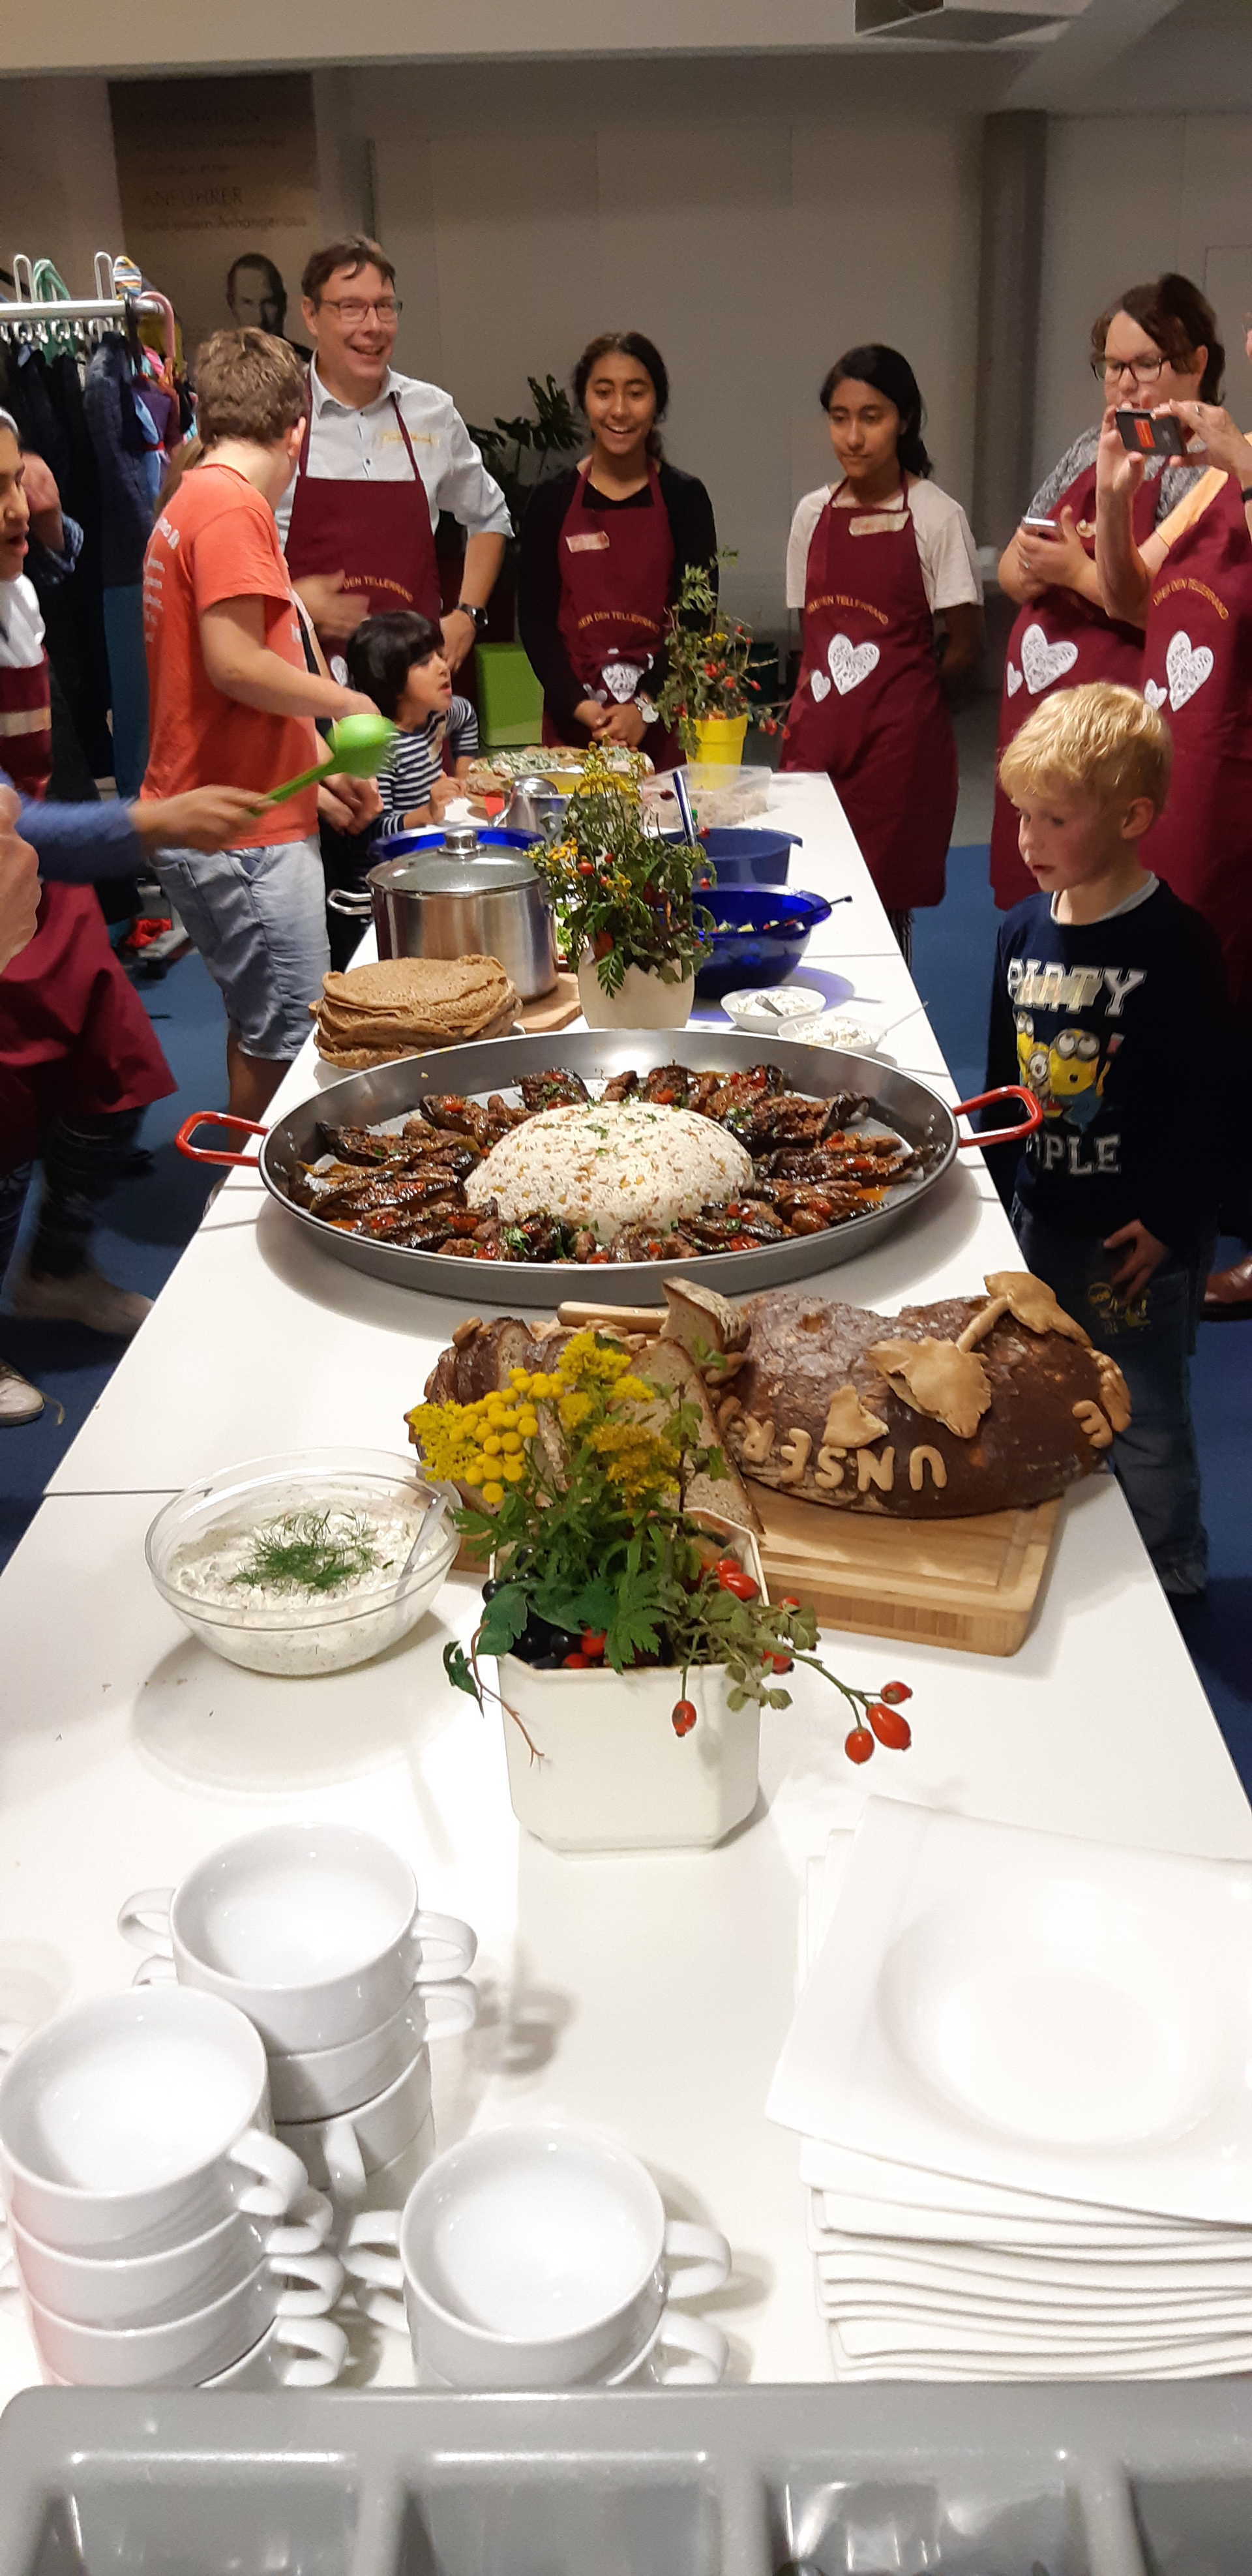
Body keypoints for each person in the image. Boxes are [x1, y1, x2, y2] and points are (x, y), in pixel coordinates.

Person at [0, 417, 265, 1425]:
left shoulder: (18, 578)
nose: (16, 501)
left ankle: (53, 1268)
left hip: (34, 885)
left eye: (15, 479)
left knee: (114, 1075)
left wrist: (60, 525)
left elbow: (59, 584)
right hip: (17, 870)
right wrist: (151, 820)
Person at [987, 682, 1226, 1600]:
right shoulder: (1018, 933)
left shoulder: (1177, 945)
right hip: (1045, 1217)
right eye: (1019, 815)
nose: (1027, 840)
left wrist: (1172, 1220)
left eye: (1054, 818)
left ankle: (1173, 1558)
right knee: (1054, 1390)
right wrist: (995, 1201)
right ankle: (1086, 1550)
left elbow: (1215, 1104)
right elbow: (1004, 1086)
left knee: (1148, 1409)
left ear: (1131, 817)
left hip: (1135, 1243)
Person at [140, 329, 381, 1122]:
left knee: (260, 1025)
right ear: (297, 433)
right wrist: (344, 703)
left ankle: (242, 1189)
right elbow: (234, 664)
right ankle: (249, 1200)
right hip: (242, 839)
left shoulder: (196, 496)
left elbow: (228, 691)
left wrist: (313, 763)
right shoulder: (234, 508)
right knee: (289, 1038)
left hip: (240, 817)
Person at [1095, 324, 1252, 1320]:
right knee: (1191, 995)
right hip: (1181, 771)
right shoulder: (1199, 481)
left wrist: (1245, 464)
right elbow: (1127, 596)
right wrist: (1114, 497)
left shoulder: (1236, 463)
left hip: (1240, 781)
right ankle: (1192, 1194)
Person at [991, 273, 1217, 908]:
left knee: (1101, 899)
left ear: (1196, 363)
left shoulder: (1206, 468)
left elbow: (1160, 605)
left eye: (1146, 363)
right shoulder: (1088, 447)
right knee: (1029, 899)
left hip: (1113, 721)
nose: (1126, 382)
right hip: (1037, 709)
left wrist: (1070, 570)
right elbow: (1012, 565)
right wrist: (1041, 565)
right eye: (1113, 365)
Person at [780, 344, 983, 965]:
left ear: (905, 420)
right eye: (840, 417)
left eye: (872, 416)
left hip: (899, 757)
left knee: (882, 923)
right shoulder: (811, 515)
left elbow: (966, 643)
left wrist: (903, 703)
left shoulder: (936, 516)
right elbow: (807, 637)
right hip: (816, 747)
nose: (854, 435)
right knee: (804, 908)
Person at [276, 235, 509, 667]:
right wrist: (289, 597)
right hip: (305, 684)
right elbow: (229, 555)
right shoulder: (277, 417)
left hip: (415, 693)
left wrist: (467, 615)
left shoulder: (432, 413)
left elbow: (490, 516)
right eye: (351, 308)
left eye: (385, 306)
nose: (373, 326)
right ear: (310, 315)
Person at [516, 331, 717, 770]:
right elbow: (535, 621)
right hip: (575, 731)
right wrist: (577, 705)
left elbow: (696, 622)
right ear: (585, 402)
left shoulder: (686, 499)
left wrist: (646, 706)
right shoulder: (551, 500)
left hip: (660, 729)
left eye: (636, 393)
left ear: (657, 404)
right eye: (603, 392)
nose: (620, 410)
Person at [346, 611, 479, 831]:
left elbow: (467, 716)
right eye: (425, 662)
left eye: (439, 655)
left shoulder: (437, 716)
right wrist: (426, 813)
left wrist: (464, 777)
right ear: (392, 683)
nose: (443, 667)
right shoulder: (381, 748)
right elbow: (371, 836)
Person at [226, 255, 311, 361]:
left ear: (283, 303)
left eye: (268, 303)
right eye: (248, 303)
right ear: (232, 304)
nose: (259, 318)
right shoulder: (215, 371)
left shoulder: (311, 368)